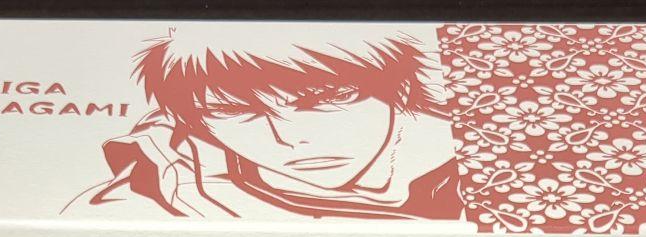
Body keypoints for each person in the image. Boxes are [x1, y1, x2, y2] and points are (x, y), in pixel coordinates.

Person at [67, 24, 463, 221]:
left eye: (326, 98)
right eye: (233, 111)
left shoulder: (478, 157)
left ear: (399, 88)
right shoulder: (163, 183)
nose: (289, 138)